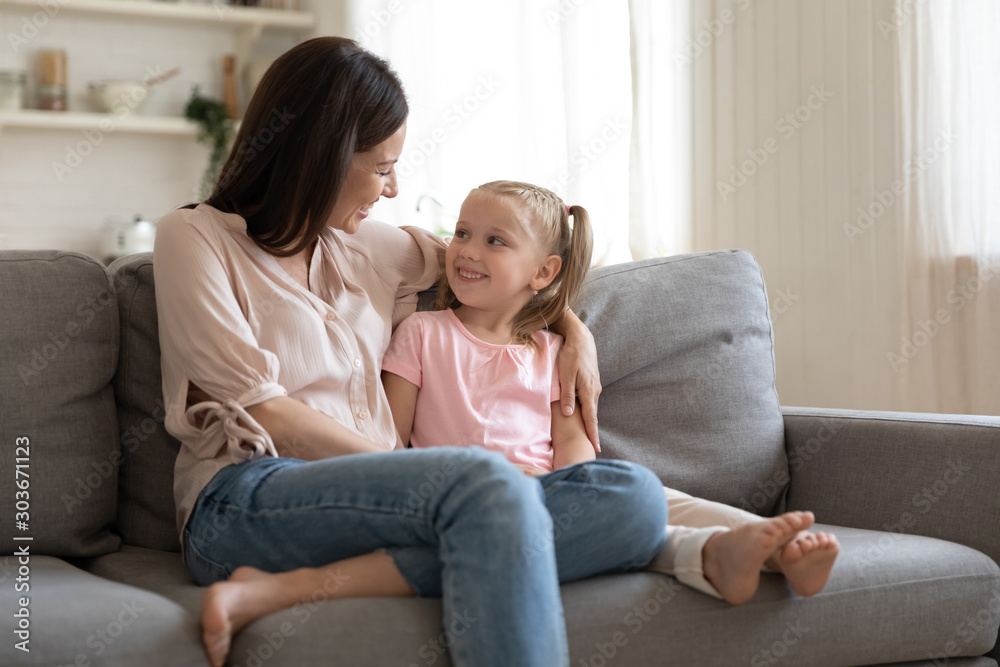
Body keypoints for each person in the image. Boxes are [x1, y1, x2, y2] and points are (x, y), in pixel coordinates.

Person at [153, 37, 669, 667]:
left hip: (392, 500)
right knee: (485, 484)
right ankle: (473, 505)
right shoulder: (195, 238)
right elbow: (268, 412)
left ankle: (282, 590)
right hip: (246, 498)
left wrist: (573, 332)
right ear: (321, 154)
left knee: (632, 499)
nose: (393, 188)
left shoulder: (367, 243)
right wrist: (428, 478)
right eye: (380, 166)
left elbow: (496, 269)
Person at [377, 180, 840, 604]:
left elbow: (571, 439)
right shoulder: (422, 332)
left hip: (549, 491)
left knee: (655, 496)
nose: (467, 251)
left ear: (543, 272)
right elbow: (391, 443)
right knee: (628, 508)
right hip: (470, 497)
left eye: (494, 240)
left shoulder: (553, 350)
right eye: (461, 233)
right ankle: (722, 554)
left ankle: (780, 549)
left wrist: (573, 486)